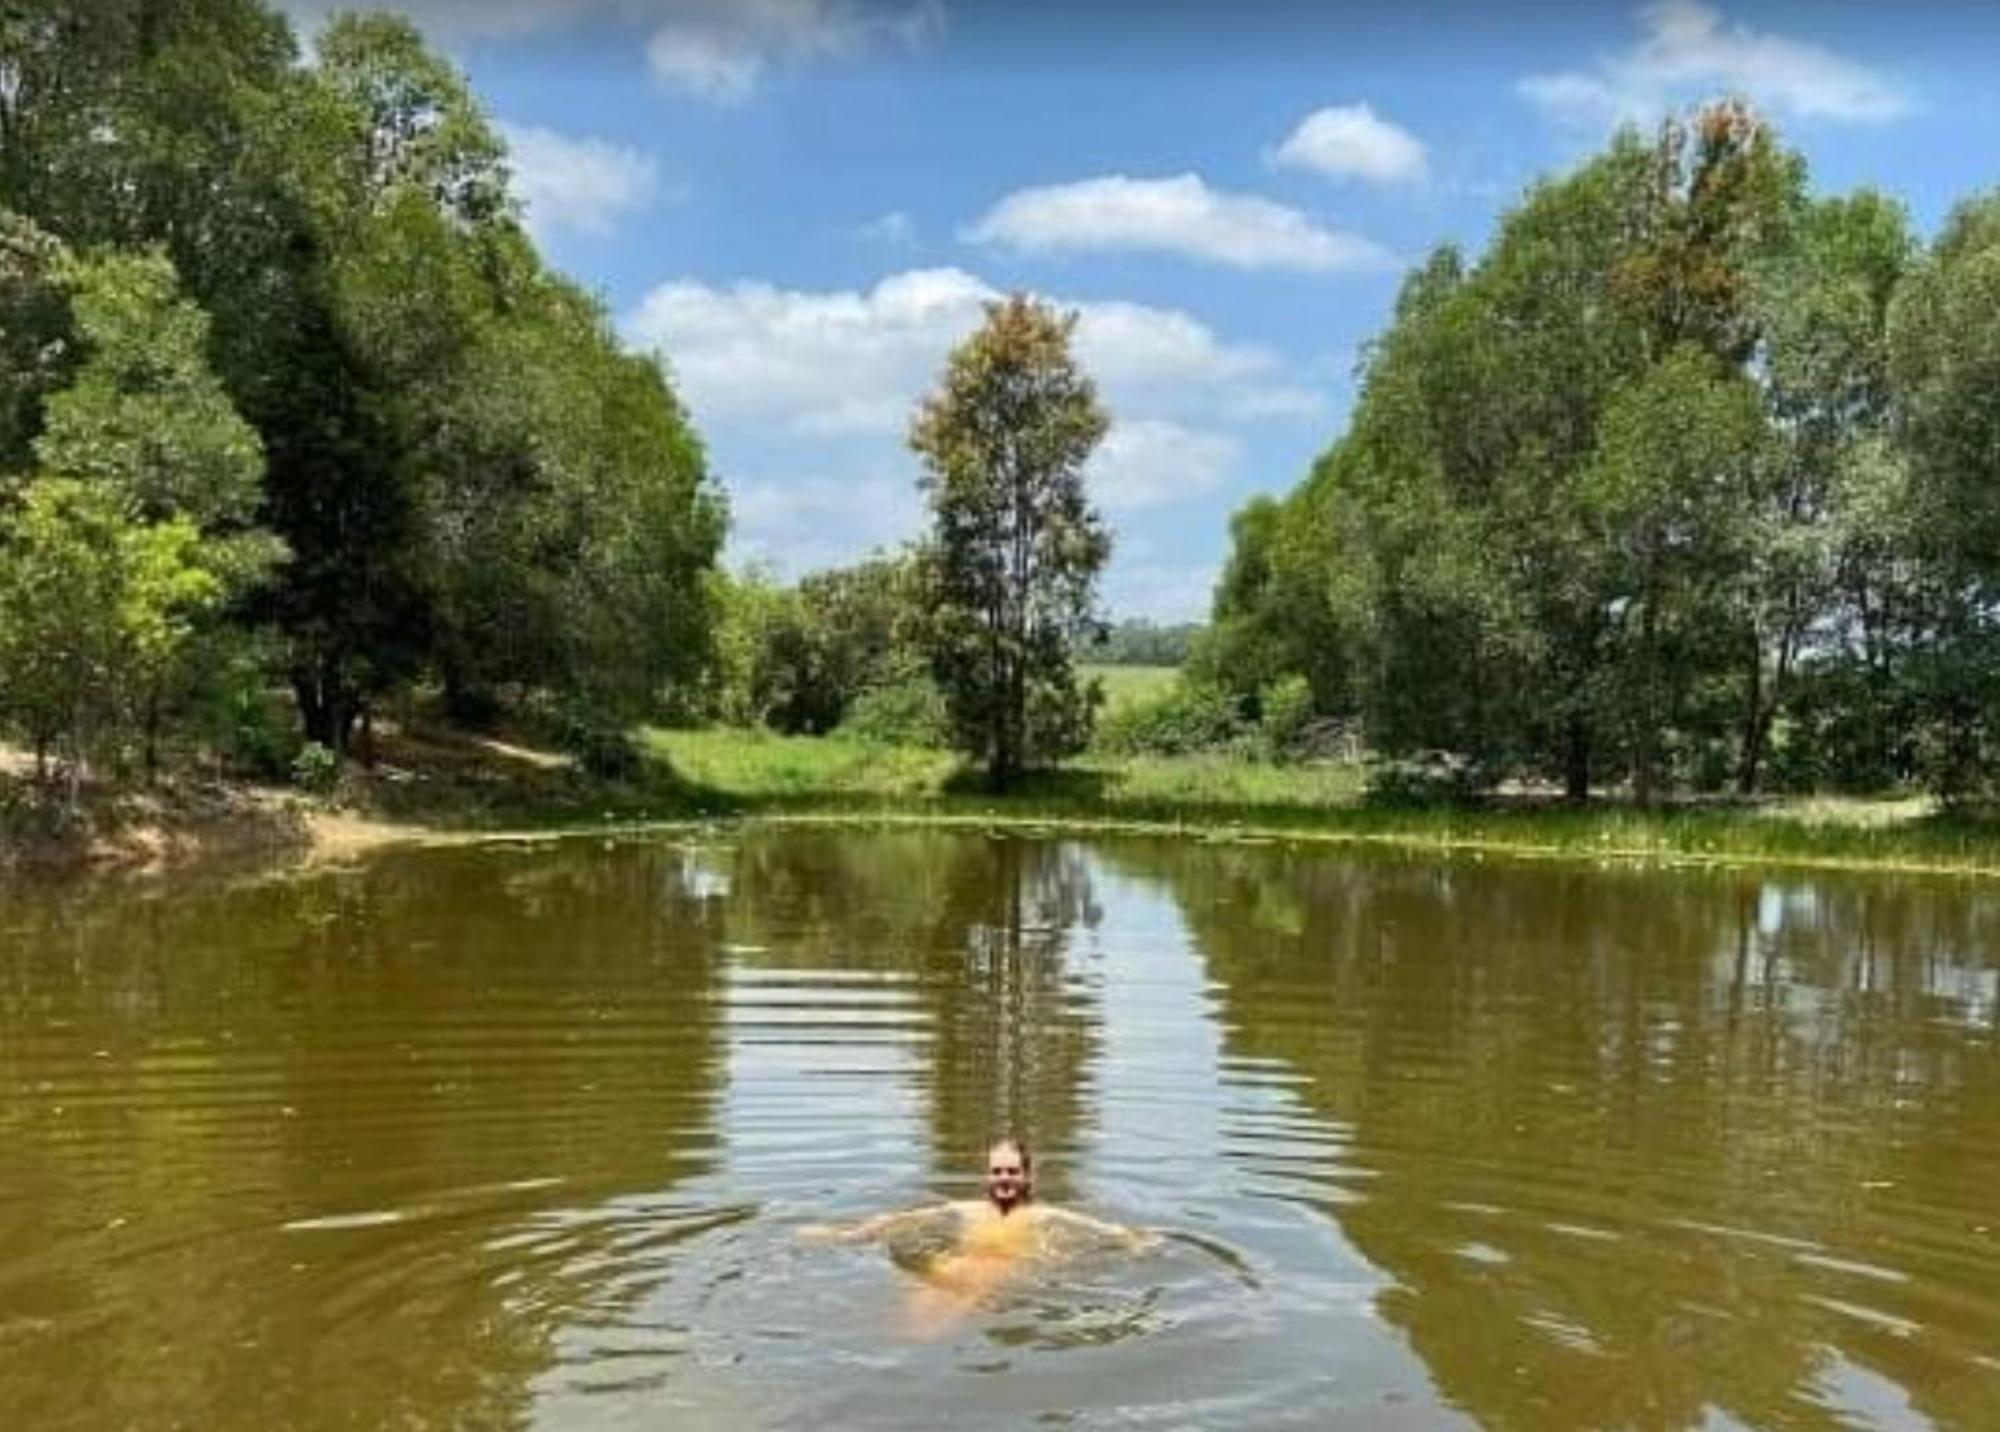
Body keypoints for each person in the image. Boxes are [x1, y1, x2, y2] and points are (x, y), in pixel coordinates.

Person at [798, 1136, 1158, 1307]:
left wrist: (1133, 1239)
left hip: (996, 1271)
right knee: (906, 1321)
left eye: (1012, 1171)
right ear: (988, 1175)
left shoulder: (1041, 1214)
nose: (1004, 1178)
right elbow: (900, 1218)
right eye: (997, 1171)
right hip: (949, 1265)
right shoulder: (967, 1208)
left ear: (1027, 1177)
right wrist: (846, 1233)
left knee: (922, 1330)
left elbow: (1099, 1228)